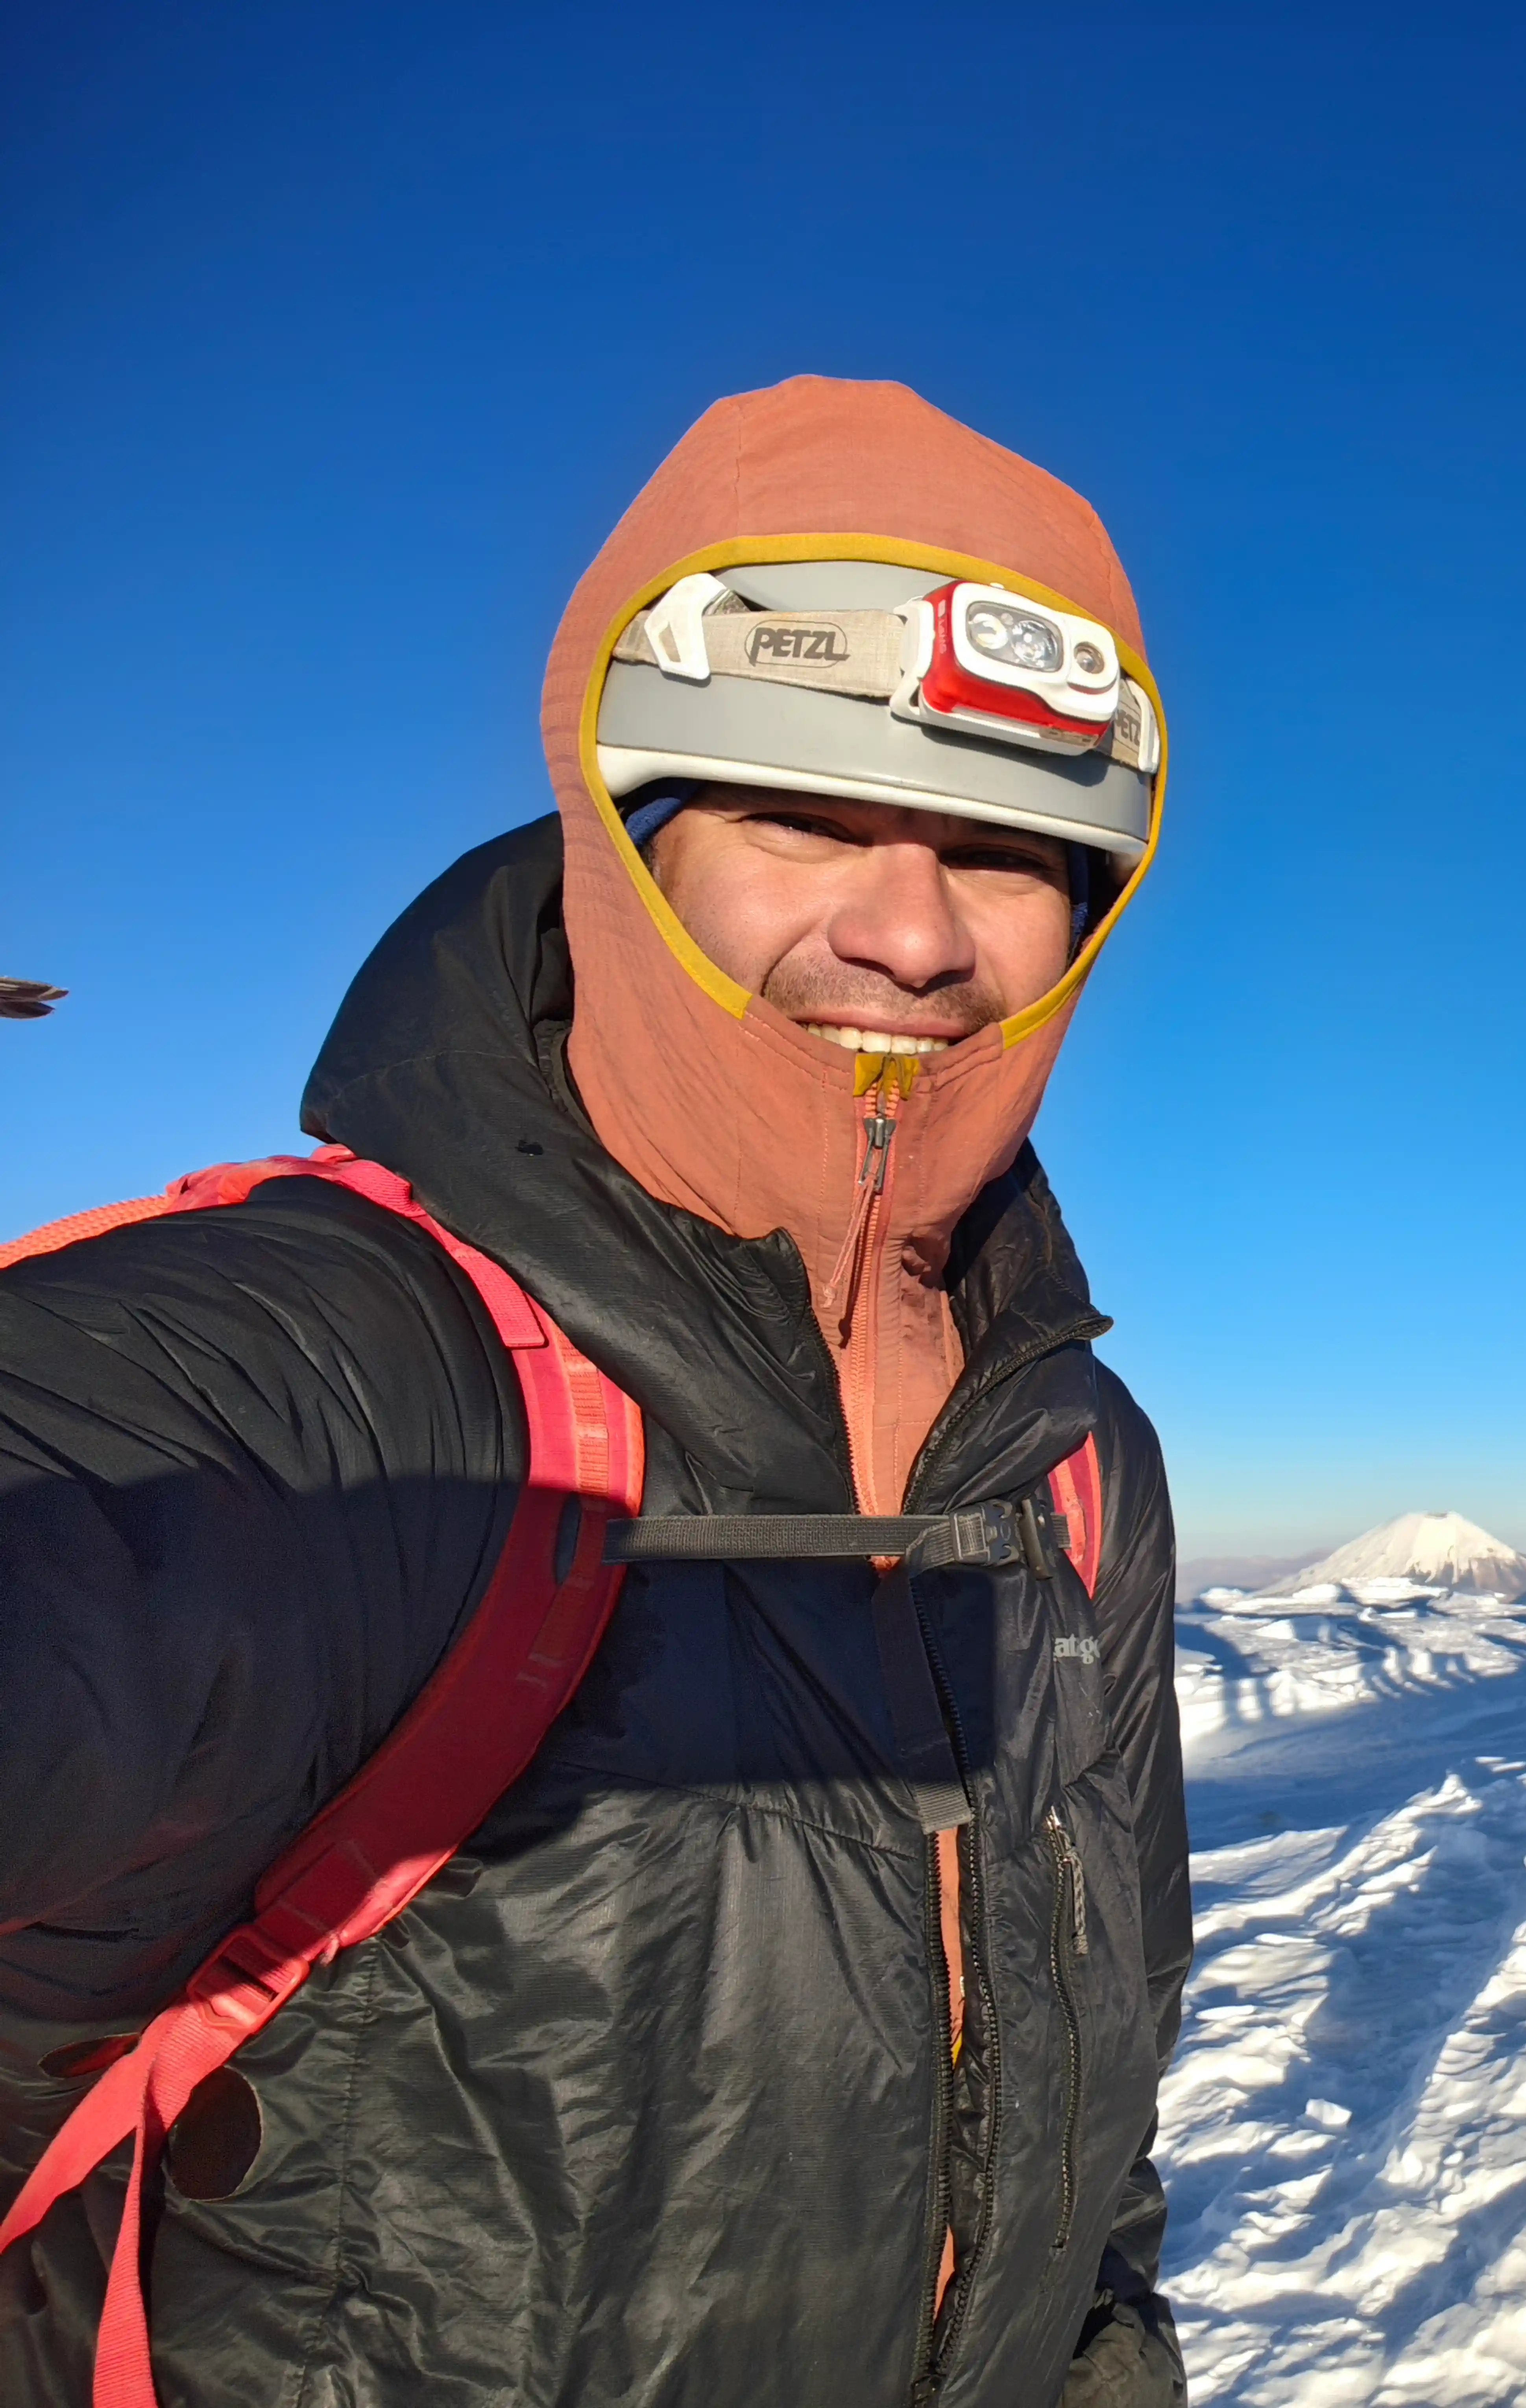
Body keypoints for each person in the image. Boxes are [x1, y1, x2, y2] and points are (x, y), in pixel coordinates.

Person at [0, 379, 1190, 2405]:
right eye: (801, 812)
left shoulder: (1070, 1466)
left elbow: (1095, 2111)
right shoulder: (345, 1385)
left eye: (1002, 849)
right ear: (624, 843)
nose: (908, 931)